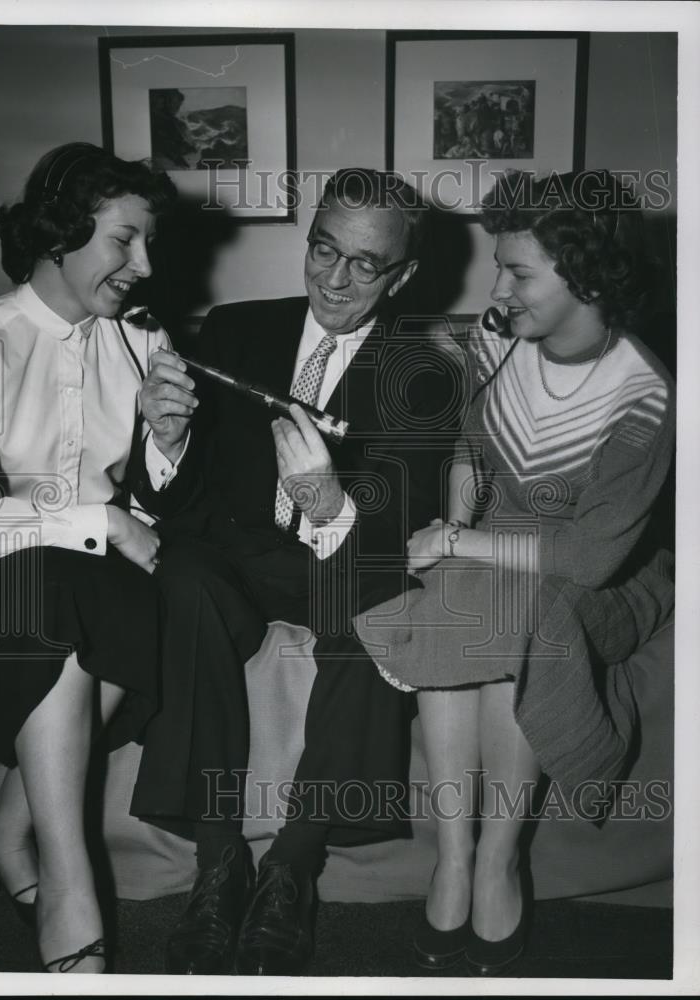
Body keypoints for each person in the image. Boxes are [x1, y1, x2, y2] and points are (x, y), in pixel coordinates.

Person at [128, 168, 457, 975]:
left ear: (404, 275)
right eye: (322, 251)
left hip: (338, 564)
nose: (334, 280)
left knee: (383, 600)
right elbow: (181, 500)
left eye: (365, 266)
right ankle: (219, 862)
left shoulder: (428, 372)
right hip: (235, 561)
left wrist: (325, 497)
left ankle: (293, 865)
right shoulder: (235, 331)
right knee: (182, 578)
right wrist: (165, 443)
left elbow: (397, 529)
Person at [353, 169, 675, 976]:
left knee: (507, 598)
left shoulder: (647, 396)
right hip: (498, 543)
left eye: (519, 271)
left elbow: (589, 558)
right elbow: (471, 446)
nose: (497, 288)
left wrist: (460, 546)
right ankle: (454, 855)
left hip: (603, 580)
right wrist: (461, 522)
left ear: (587, 277)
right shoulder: (505, 339)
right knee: (475, 593)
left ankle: (498, 859)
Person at [0, 142, 177, 972]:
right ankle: (71, 888)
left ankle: (6, 830)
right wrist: (106, 523)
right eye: (125, 239)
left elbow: (159, 504)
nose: (144, 265)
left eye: (148, 243)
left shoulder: (140, 342)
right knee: (57, 583)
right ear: (58, 235)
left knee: (159, 593)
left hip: (90, 581)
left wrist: (169, 440)